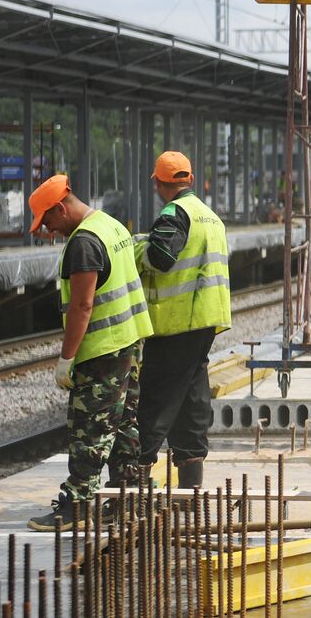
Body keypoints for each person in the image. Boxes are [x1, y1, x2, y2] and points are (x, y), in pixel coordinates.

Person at [27, 175, 153, 531]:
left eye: (47, 221)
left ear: (60, 208)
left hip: (103, 350)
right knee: (124, 422)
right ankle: (132, 495)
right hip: (130, 341)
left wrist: (66, 358)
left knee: (90, 428)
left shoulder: (83, 242)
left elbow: (82, 307)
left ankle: (78, 504)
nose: (49, 230)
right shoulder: (110, 225)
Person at [134, 151, 231, 490]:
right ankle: (191, 483)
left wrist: (138, 250)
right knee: (191, 398)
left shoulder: (174, 213)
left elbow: (161, 257)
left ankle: (133, 486)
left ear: (159, 184)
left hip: (177, 321)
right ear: (189, 179)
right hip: (206, 320)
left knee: (154, 399)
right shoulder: (209, 216)